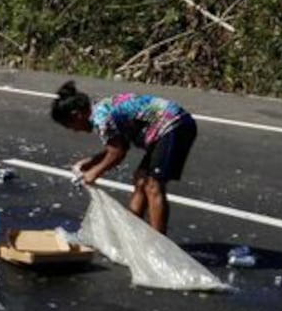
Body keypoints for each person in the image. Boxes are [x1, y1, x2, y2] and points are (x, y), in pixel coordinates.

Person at [50, 80, 197, 235]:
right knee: (140, 181)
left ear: (77, 115)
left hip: (174, 125)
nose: (74, 131)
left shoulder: (102, 119)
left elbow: (117, 153)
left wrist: (94, 173)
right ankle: (133, 234)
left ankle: (159, 242)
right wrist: (91, 162)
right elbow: (119, 146)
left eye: (70, 126)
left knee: (153, 185)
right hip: (162, 129)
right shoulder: (100, 109)